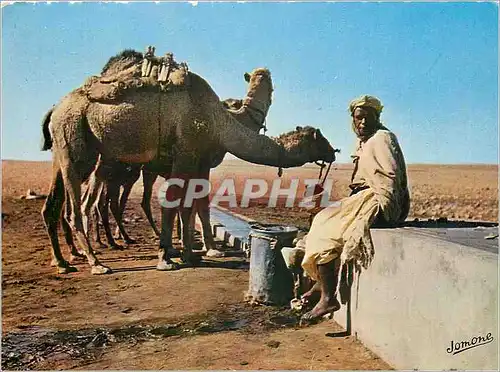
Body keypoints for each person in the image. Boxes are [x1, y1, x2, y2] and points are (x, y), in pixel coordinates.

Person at [299, 95, 410, 322]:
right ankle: (322, 286)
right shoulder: (365, 142)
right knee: (322, 220)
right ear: (352, 119)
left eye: (369, 118)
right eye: (359, 118)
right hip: (366, 196)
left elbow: (390, 178)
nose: (363, 123)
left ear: (377, 118)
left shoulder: (382, 138)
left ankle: (328, 297)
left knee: (325, 226)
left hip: (378, 200)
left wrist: (386, 209)